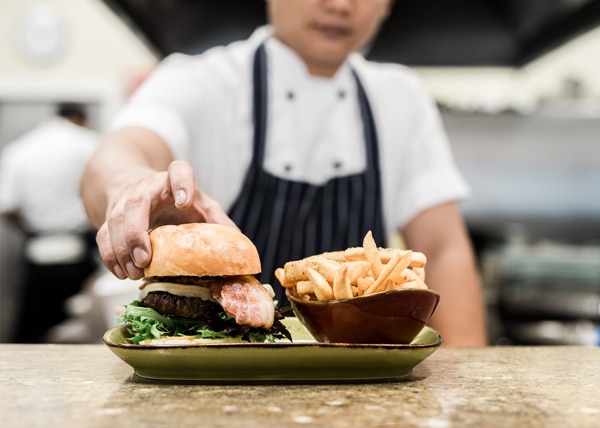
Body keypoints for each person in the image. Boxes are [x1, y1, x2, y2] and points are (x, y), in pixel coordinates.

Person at [81, 0, 488, 346]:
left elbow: (443, 249)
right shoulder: (201, 81)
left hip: (358, 383)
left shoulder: (401, 98)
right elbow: (118, 154)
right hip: (218, 379)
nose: (340, 5)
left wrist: (468, 391)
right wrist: (130, 187)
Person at [0, 103, 100, 342]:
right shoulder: (89, 143)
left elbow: (6, 207)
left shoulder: (20, 149)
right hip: (77, 250)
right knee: (77, 326)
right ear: (80, 118)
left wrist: (33, 226)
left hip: (37, 248)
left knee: (34, 326)